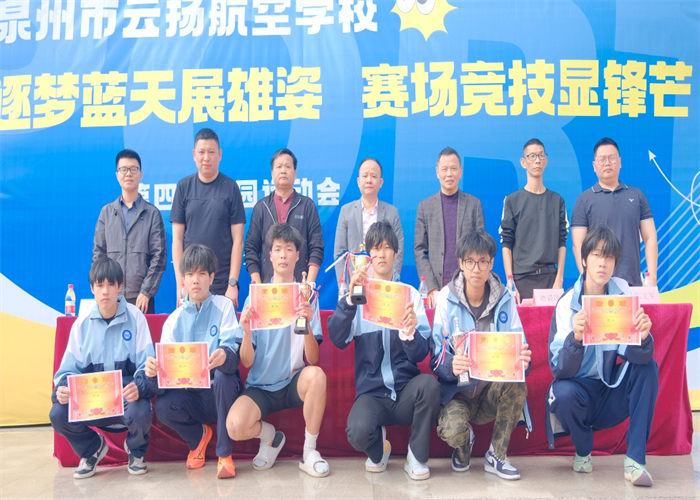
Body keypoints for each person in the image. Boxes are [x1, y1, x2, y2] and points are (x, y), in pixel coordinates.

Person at [328, 221, 440, 480]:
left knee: (430, 387)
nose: (381, 254)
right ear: (368, 255)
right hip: (372, 393)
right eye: (376, 249)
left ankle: (416, 456)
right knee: (357, 432)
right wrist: (349, 300)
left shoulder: (410, 295)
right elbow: (337, 338)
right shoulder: (357, 295)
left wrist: (409, 333)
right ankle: (380, 449)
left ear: (395, 254)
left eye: (387, 248)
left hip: (405, 390)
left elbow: (421, 354)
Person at [546, 226, 657, 487]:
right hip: (579, 390)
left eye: (609, 257)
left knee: (648, 367)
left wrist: (642, 338)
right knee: (561, 393)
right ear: (584, 260)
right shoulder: (567, 303)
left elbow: (635, 356)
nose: (603, 263)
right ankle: (583, 450)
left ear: (615, 263)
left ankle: (635, 460)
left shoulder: (622, 294)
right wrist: (575, 338)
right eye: (596, 255)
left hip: (609, 389)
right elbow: (559, 369)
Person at [227, 223, 329, 478]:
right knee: (235, 426)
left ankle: (309, 452)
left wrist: (306, 321)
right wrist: (247, 332)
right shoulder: (255, 298)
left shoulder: (307, 298)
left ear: (297, 256)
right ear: (270, 255)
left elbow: (313, 359)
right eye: (278, 249)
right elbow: (246, 361)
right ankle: (270, 437)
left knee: (317, 376)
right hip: (261, 387)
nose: (283, 255)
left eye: (289, 249)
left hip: (293, 382)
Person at [431, 231, 531, 480]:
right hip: (457, 393)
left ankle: (497, 455)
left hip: (490, 391)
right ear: (461, 263)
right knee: (453, 430)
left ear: (491, 263)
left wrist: (523, 361)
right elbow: (435, 355)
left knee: (517, 384)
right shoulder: (445, 298)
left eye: (483, 261)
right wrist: (450, 365)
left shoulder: (505, 299)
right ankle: (464, 444)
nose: (476, 269)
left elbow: (520, 346)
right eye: (470, 261)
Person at [50, 257, 156, 478]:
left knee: (141, 409)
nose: (105, 291)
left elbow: (146, 365)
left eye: (110, 284)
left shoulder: (136, 318)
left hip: (125, 398)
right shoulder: (81, 325)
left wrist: (138, 387)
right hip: (91, 400)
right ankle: (92, 449)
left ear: (120, 287)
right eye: (100, 285)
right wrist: (62, 389)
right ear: (92, 289)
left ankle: (136, 451)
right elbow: (66, 372)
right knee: (58, 413)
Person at [145, 244, 242, 479]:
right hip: (190, 395)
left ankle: (224, 454)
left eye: (201, 274)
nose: (195, 280)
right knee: (163, 406)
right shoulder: (173, 320)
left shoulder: (224, 306)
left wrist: (224, 355)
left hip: (221, 393)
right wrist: (155, 372)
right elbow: (164, 380)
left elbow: (233, 353)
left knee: (224, 375)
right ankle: (198, 437)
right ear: (183, 280)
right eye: (189, 274)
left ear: (211, 277)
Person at [171, 128, 246, 305]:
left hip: (222, 282)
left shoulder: (230, 187)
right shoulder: (184, 187)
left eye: (211, 152)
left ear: (219, 155)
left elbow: (238, 241)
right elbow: (177, 241)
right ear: (194, 155)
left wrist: (232, 283)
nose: (206, 157)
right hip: (192, 282)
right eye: (201, 152)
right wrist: (181, 283)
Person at [571, 137, 658, 287]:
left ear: (620, 162)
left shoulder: (637, 195)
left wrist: (652, 278)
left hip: (631, 282)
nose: (607, 163)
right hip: (599, 285)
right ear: (594, 166)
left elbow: (650, 237)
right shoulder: (584, 199)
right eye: (602, 159)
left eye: (611, 158)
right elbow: (578, 244)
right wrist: (587, 279)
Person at [92, 149, 167, 314]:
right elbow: (98, 255)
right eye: (123, 169)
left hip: (141, 300)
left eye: (133, 169)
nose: (128, 174)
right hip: (111, 298)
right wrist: (104, 289)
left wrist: (146, 292)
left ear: (141, 174)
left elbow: (159, 257)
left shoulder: (152, 213)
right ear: (117, 175)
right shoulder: (107, 213)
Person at [415, 147, 485, 307]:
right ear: (437, 172)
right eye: (444, 169)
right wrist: (431, 287)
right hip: (437, 289)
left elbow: (481, 248)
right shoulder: (425, 207)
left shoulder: (474, 204)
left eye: (453, 169)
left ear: (460, 172)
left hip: (468, 287)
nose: (449, 174)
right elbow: (419, 250)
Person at [499, 139, 567, 301]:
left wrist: (559, 279)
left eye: (541, 155)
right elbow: (506, 243)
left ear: (546, 161)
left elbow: (562, 242)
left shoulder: (557, 200)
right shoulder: (512, 200)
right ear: (523, 162)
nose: (537, 160)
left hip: (550, 278)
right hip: (521, 279)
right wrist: (510, 281)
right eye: (532, 156)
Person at [245, 148, 324, 286]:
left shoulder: (307, 205)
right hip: (268, 285)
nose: (283, 171)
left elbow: (316, 246)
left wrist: (308, 284)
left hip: (300, 285)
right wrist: (259, 286)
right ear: (272, 172)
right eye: (279, 167)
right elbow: (251, 249)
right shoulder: (261, 207)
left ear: (295, 172)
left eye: (288, 166)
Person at [333, 158, 404, 287]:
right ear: (358, 181)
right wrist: (345, 286)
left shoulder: (392, 212)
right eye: (365, 176)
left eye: (374, 176)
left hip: (384, 283)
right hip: (355, 281)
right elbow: (339, 253)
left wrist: (391, 282)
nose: (369, 180)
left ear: (380, 182)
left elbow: (398, 251)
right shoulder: (346, 211)